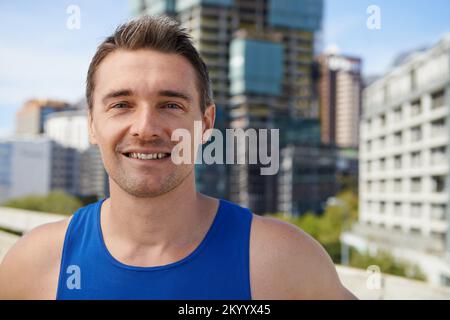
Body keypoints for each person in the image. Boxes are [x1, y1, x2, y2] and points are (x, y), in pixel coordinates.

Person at [0, 15, 356, 300]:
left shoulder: (285, 263)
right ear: (92, 125)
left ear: (205, 124)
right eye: (121, 105)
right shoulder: (34, 265)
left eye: (170, 105)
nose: (146, 127)